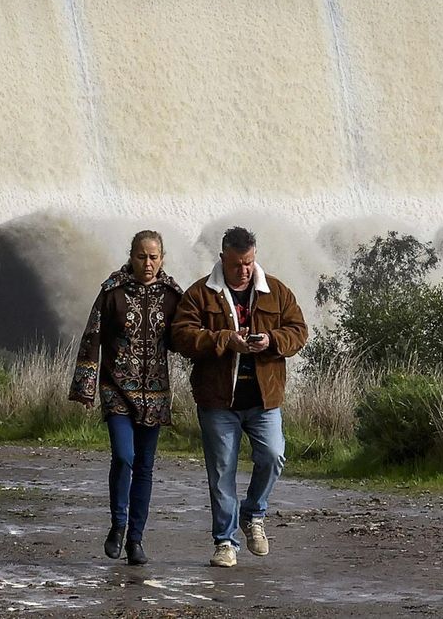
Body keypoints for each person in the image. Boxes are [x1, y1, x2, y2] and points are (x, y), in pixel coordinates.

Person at [169, 226, 308, 568]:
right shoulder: (200, 294)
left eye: (249, 263)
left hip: (264, 398)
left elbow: (299, 332)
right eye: (236, 264)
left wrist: (272, 340)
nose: (244, 270)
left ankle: (253, 514)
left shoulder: (276, 291)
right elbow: (181, 336)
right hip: (218, 400)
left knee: (274, 456)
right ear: (222, 258)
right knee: (222, 472)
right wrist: (223, 340)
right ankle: (225, 542)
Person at [69, 230, 183, 566]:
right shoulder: (112, 292)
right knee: (123, 456)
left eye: (153, 257)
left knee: (145, 467)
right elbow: (92, 337)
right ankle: (118, 526)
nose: (147, 263)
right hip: (116, 389)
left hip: (155, 394)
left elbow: (185, 338)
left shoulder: (172, 296)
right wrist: (86, 386)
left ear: (162, 259)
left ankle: (136, 540)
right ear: (131, 256)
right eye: (141, 256)